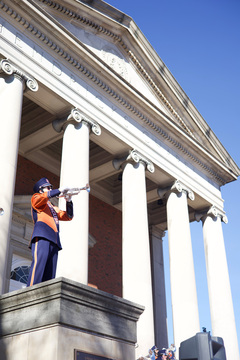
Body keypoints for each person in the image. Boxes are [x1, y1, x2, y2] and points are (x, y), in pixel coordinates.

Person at [27, 177, 73, 286]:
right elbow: (42, 198)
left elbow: (68, 216)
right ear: (40, 189)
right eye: (47, 187)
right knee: (39, 266)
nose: (49, 189)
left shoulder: (52, 206)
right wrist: (59, 190)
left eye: (50, 188)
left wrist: (69, 201)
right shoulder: (37, 197)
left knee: (50, 274)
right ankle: (30, 292)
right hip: (42, 235)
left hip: (54, 239)